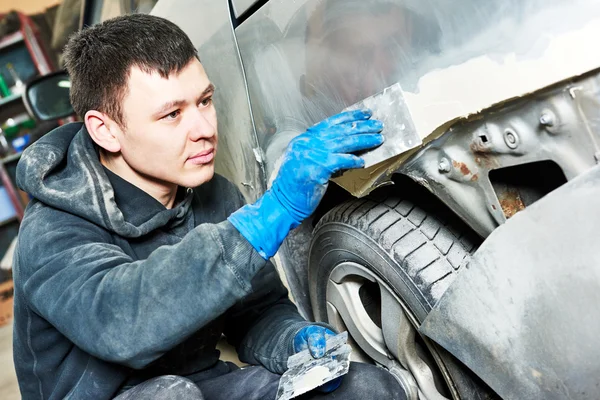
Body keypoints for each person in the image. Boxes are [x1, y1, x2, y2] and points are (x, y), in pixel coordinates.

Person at [12, 14, 405, 400]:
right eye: (172, 114)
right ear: (106, 130)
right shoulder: (53, 229)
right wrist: (273, 211)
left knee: (366, 388)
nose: (204, 128)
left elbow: (255, 313)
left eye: (205, 100)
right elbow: (124, 323)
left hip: (202, 383)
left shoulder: (215, 195)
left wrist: (293, 339)